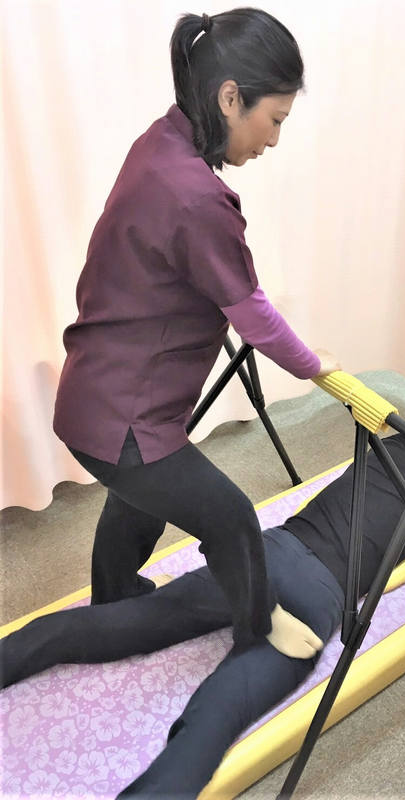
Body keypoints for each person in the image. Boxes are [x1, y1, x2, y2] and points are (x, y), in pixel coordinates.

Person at [0, 425, 405, 799]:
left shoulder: (385, 447)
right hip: (318, 596)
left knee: (127, 622)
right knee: (218, 712)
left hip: (260, 554)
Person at [51, 8, 341, 656]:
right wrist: (314, 365)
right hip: (126, 421)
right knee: (230, 516)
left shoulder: (160, 143)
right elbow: (252, 314)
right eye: (274, 120)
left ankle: (114, 598)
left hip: (92, 396)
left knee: (139, 500)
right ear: (230, 98)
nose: (273, 140)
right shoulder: (198, 199)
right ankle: (257, 631)